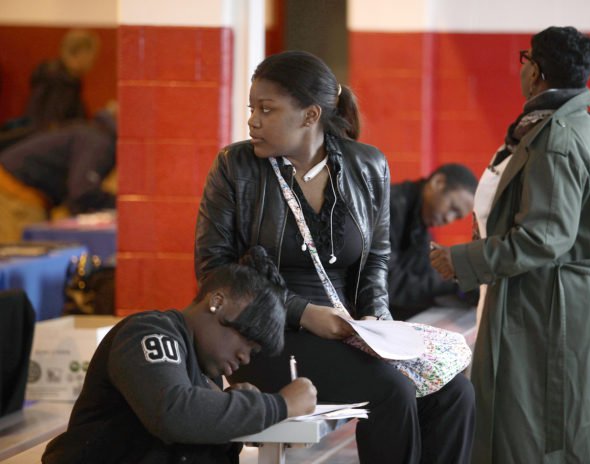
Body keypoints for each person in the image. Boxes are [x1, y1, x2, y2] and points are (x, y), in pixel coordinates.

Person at [195, 50, 475, 464]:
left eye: (267, 110)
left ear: (310, 116)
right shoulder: (234, 167)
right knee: (390, 390)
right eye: (252, 109)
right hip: (260, 338)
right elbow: (214, 272)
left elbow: (376, 262)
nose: (252, 120)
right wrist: (306, 314)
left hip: (348, 334)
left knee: (455, 391)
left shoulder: (367, 166)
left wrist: (377, 325)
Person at [430, 26, 590, 463]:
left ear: (536, 71)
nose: (522, 68)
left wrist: (460, 259)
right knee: (563, 426)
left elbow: (544, 238)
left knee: (526, 432)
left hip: (541, 308)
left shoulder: (556, 138)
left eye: (526, 59)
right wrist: (583, 252)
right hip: (565, 302)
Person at [42, 247, 318, 464]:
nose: (245, 357)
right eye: (246, 339)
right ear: (217, 301)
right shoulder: (147, 332)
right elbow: (174, 413)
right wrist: (280, 405)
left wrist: (235, 406)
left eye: (254, 351)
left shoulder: (205, 372)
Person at [0, 109, 116, 242]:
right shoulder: (100, 142)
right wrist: (119, 204)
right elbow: (83, 190)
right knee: (19, 255)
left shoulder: (94, 133)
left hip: (18, 188)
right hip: (14, 192)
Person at [389, 163, 477, 320]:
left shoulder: (420, 222)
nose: (448, 219)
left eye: (456, 217)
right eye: (452, 208)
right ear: (438, 183)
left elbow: (424, 272)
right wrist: (453, 283)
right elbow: (388, 284)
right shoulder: (390, 206)